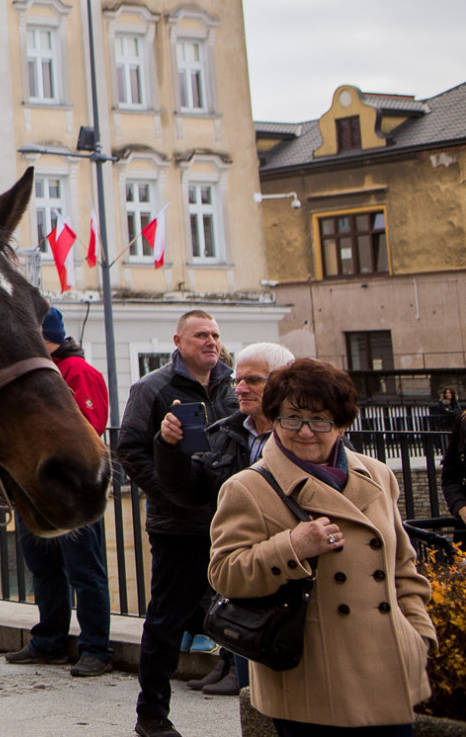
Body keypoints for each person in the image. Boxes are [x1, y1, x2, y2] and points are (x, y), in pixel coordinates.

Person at [209, 359, 435, 735]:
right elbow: (225, 575)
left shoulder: (377, 475)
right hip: (310, 679)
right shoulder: (248, 487)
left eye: (319, 419)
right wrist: (291, 547)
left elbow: (403, 568)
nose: (305, 432)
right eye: (291, 417)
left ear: (342, 423)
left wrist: (418, 636)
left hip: (388, 671)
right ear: (274, 418)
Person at [117, 309, 237, 737]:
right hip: (178, 526)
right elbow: (129, 449)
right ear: (179, 340)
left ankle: (238, 680)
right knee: (167, 621)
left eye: (216, 335)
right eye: (201, 334)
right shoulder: (152, 388)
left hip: (232, 522)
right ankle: (151, 714)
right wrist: (168, 492)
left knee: (243, 609)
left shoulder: (232, 385)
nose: (211, 341)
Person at [153, 339, 295, 697]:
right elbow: (189, 491)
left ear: (282, 381)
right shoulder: (228, 433)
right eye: (238, 380)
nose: (241, 387)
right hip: (243, 563)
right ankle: (232, 666)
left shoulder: (306, 435)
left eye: (253, 380)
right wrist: (169, 449)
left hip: (292, 566)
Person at [5, 309, 113, 677]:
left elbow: (91, 427)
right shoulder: (43, 371)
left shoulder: (78, 373)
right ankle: (49, 639)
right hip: (35, 487)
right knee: (44, 569)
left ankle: (96, 647)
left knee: (85, 571)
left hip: (69, 490)